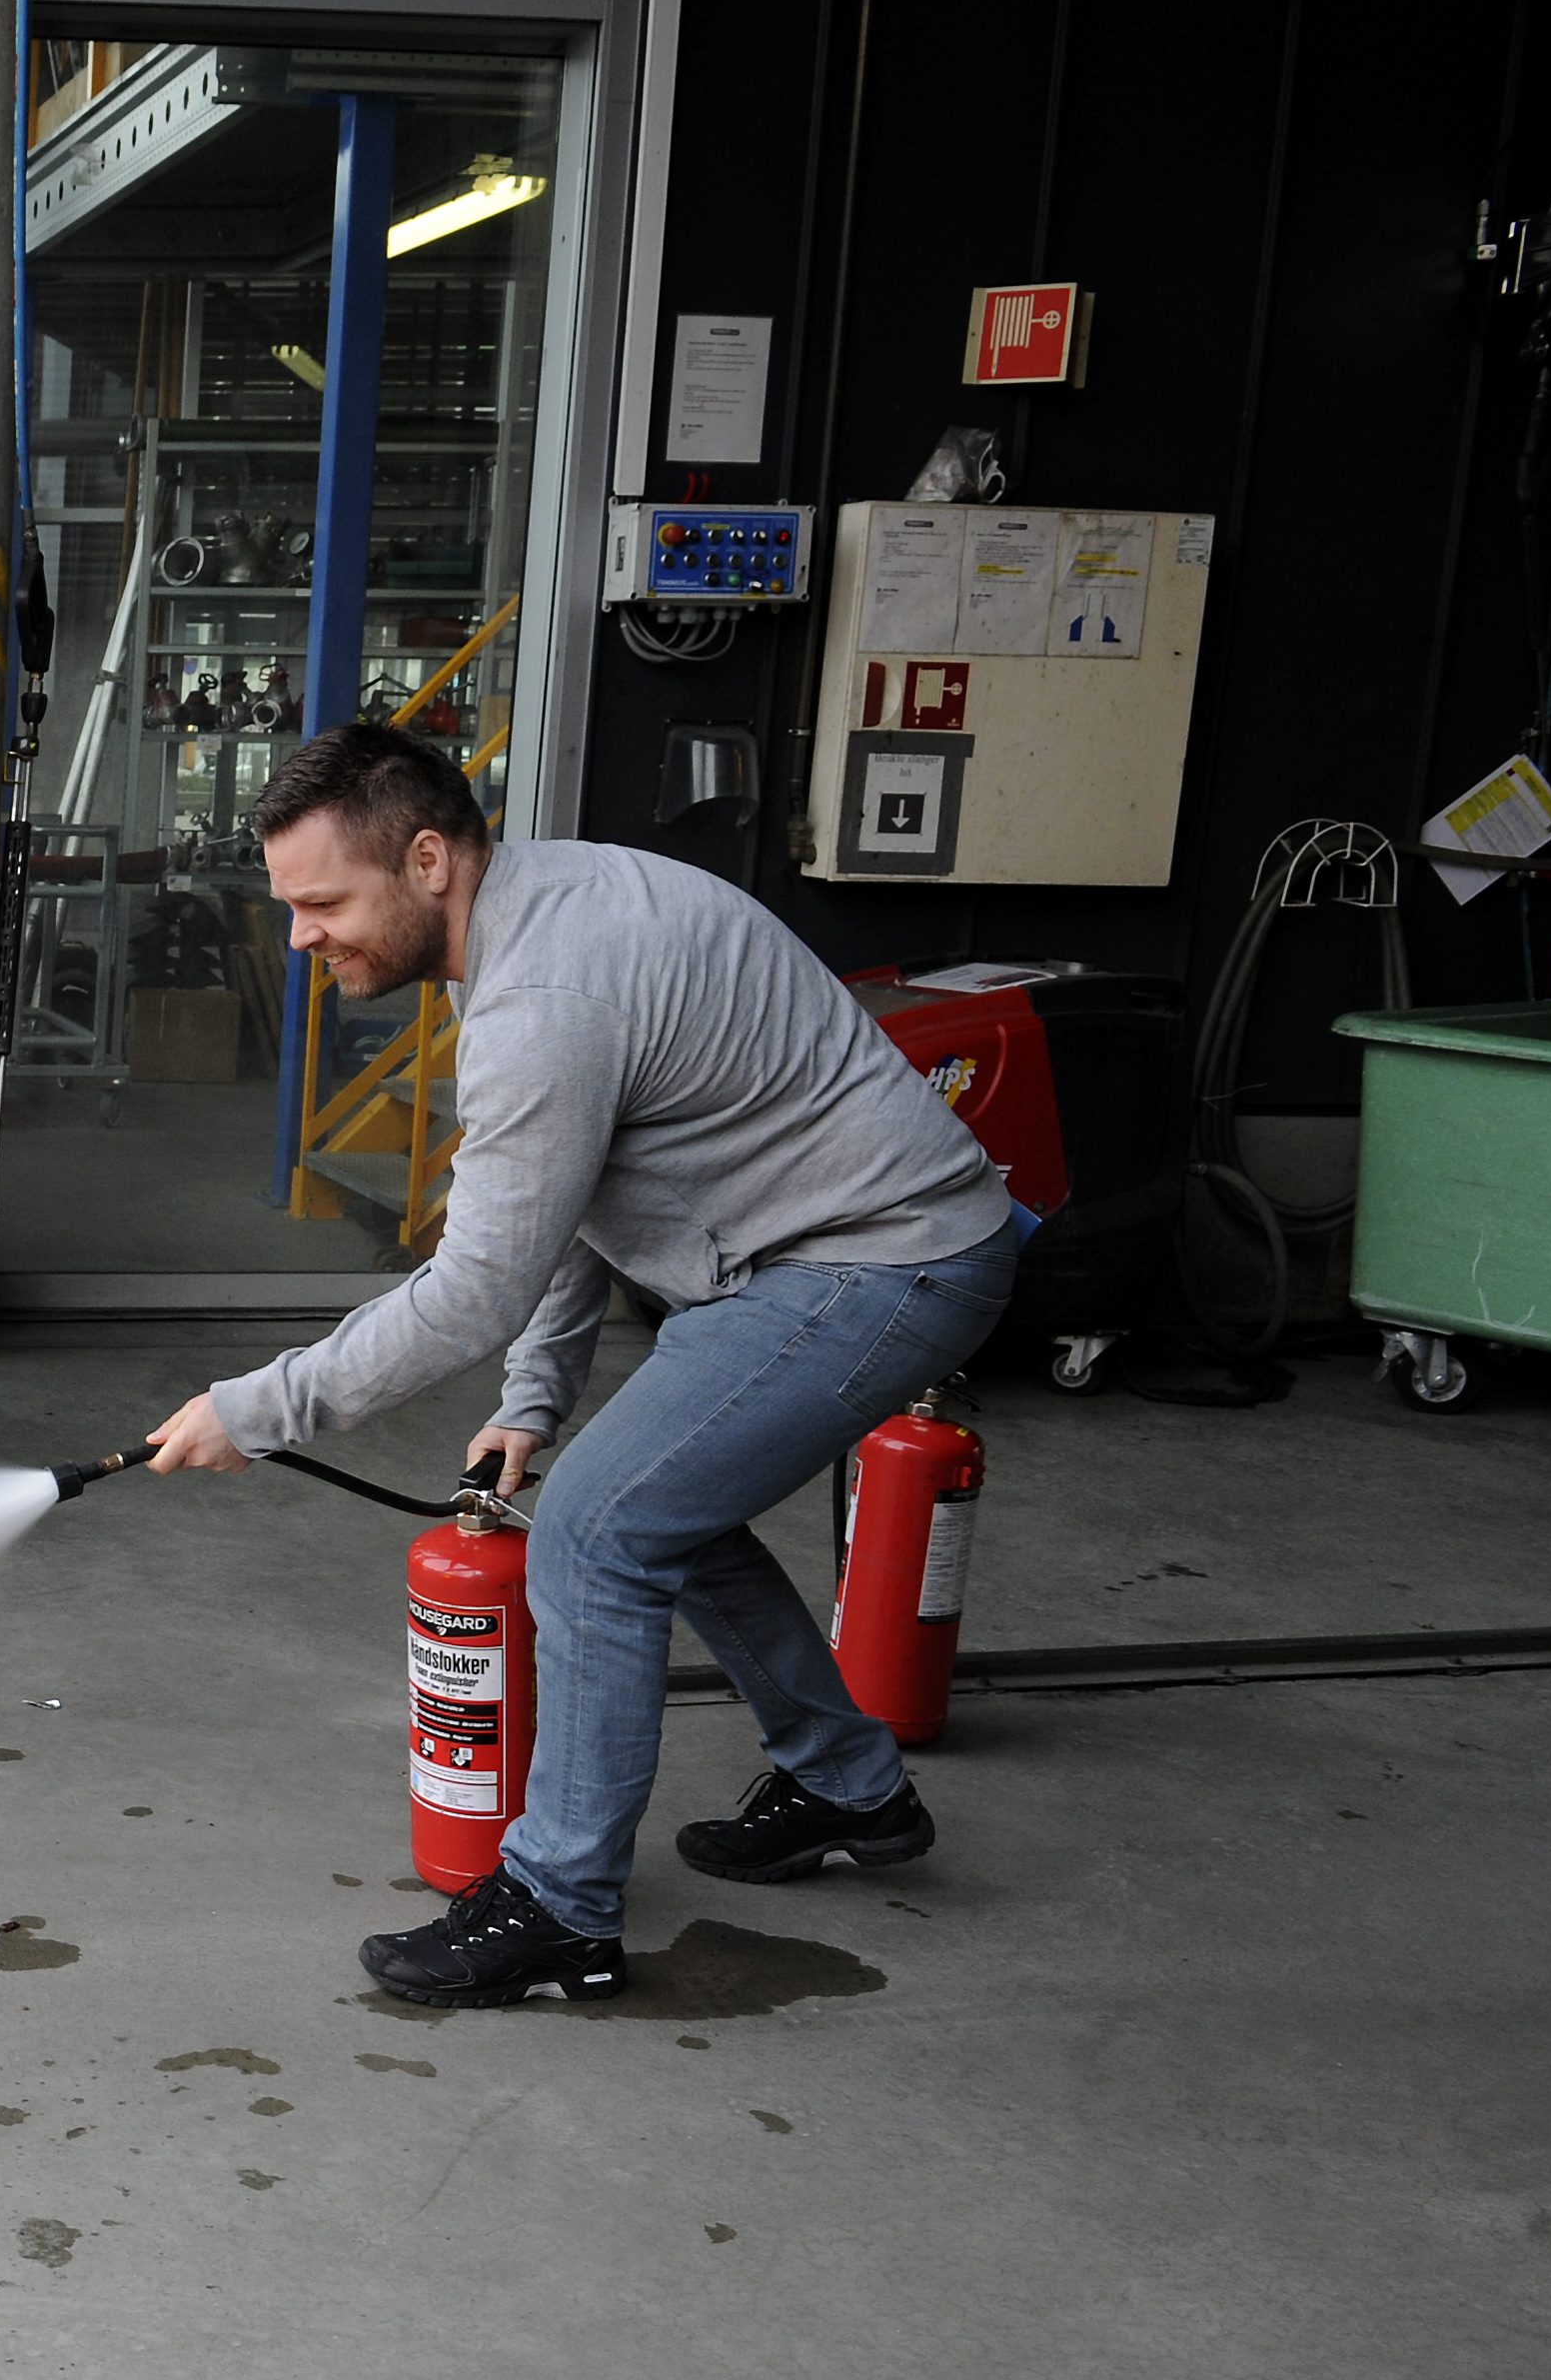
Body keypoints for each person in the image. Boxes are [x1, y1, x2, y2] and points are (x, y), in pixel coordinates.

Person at [144, 723, 1018, 2008]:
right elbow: (563, 1206)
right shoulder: (531, 916)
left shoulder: (543, 1001)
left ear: (427, 861)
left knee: (597, 1534)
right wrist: (532, 1402)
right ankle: (848, 1786)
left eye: (321, 903)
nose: (298, 938)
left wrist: (257, 1411)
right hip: (798, 1257)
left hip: (880, 1263)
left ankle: (559, 1909)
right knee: (657, 1507)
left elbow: (475, 1288)